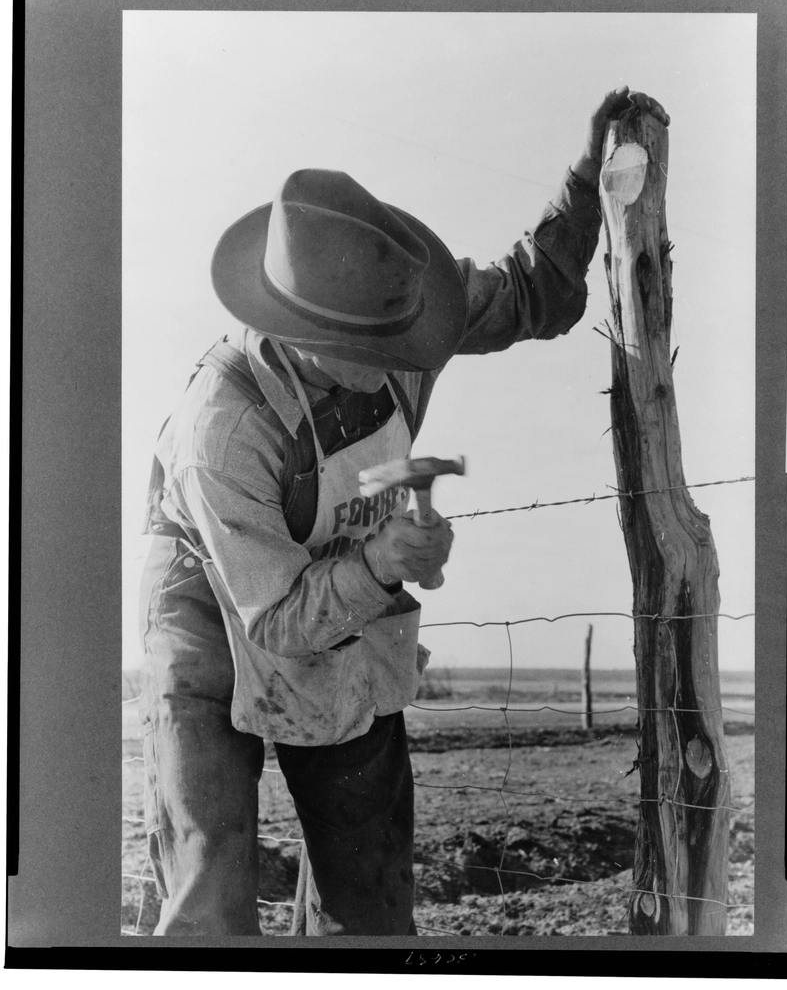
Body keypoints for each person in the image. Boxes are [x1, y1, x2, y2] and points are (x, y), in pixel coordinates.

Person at [138, 86, 669, 936]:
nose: (401, 360)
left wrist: (587, 175)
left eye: (403, 341)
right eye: (369, 355)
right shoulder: (225, 428)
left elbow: (537, 291)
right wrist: (382, 562)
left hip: (337, 574)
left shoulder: (401, 305)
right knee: (213, 871)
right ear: (297, 334)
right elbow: (273, 619)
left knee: (372, 870)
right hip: (214, 593)